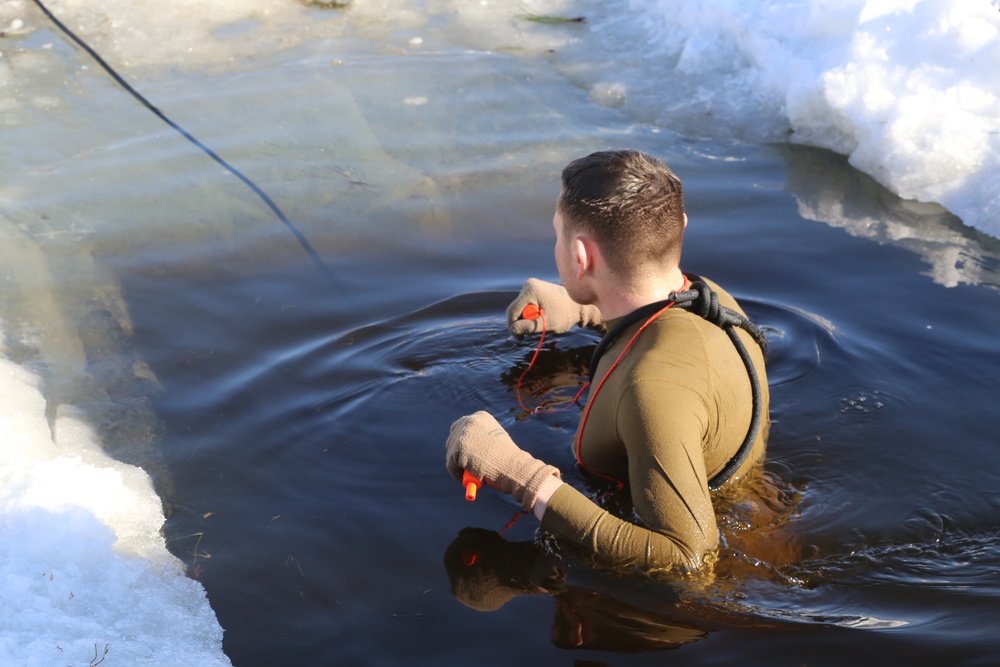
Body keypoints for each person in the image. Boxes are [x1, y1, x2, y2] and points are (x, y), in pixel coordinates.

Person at [445, 149, 770, 572]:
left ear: (581, 257)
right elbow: (659, 319)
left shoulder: (651, 391)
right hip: (760, 501)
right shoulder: (714, 298)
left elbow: (689, 562)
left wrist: (522, 479)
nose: (556, 247)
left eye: (557, 236)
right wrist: (587, 308)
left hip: (722, 583)